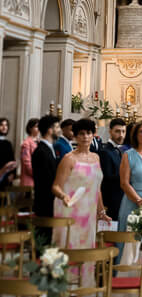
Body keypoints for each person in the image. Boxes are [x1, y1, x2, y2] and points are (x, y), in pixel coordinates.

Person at [52, 119, 109, 277]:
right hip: (70, 212)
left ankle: (82, 290)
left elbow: (97, 188)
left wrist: (101, 211)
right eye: (81, 134)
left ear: (93, 135)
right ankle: (65, 289)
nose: (85, 137)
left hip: (89, 215)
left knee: (86, 251)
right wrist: (63, 196)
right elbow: (56, 186)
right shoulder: (69, 159)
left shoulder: (96, 158)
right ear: (75, 136)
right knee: (70, 250)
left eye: (88, 133)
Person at [31, 114, 60, 218]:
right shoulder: (41, 151)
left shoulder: (49, 148)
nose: (59, 130)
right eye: (57, 127)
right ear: (50, 130)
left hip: (51, 200)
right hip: (44, 201)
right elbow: (46, 179)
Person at [99, 119, 127, 219]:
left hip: (121, 198)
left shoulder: (120, 150)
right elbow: (107, 177)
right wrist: (128, 174)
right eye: (117, 131)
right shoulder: (105, 151)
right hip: (111, 201)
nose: (121, 135)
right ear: (110, 131)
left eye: (123, 131)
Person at [19, 118, 40, 187]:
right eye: (36, 126)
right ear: (30, 128)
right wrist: (37, 174)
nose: (38, 128)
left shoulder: (39, 142)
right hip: (29, 180)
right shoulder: (26, 143)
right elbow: (26, 162)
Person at [0, 116, 17, 188]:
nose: (4, 127)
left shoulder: (8, 143)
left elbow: (12, 159)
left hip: (7, 176)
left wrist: (12, 174)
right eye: (1, 125)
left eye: (6, 125)